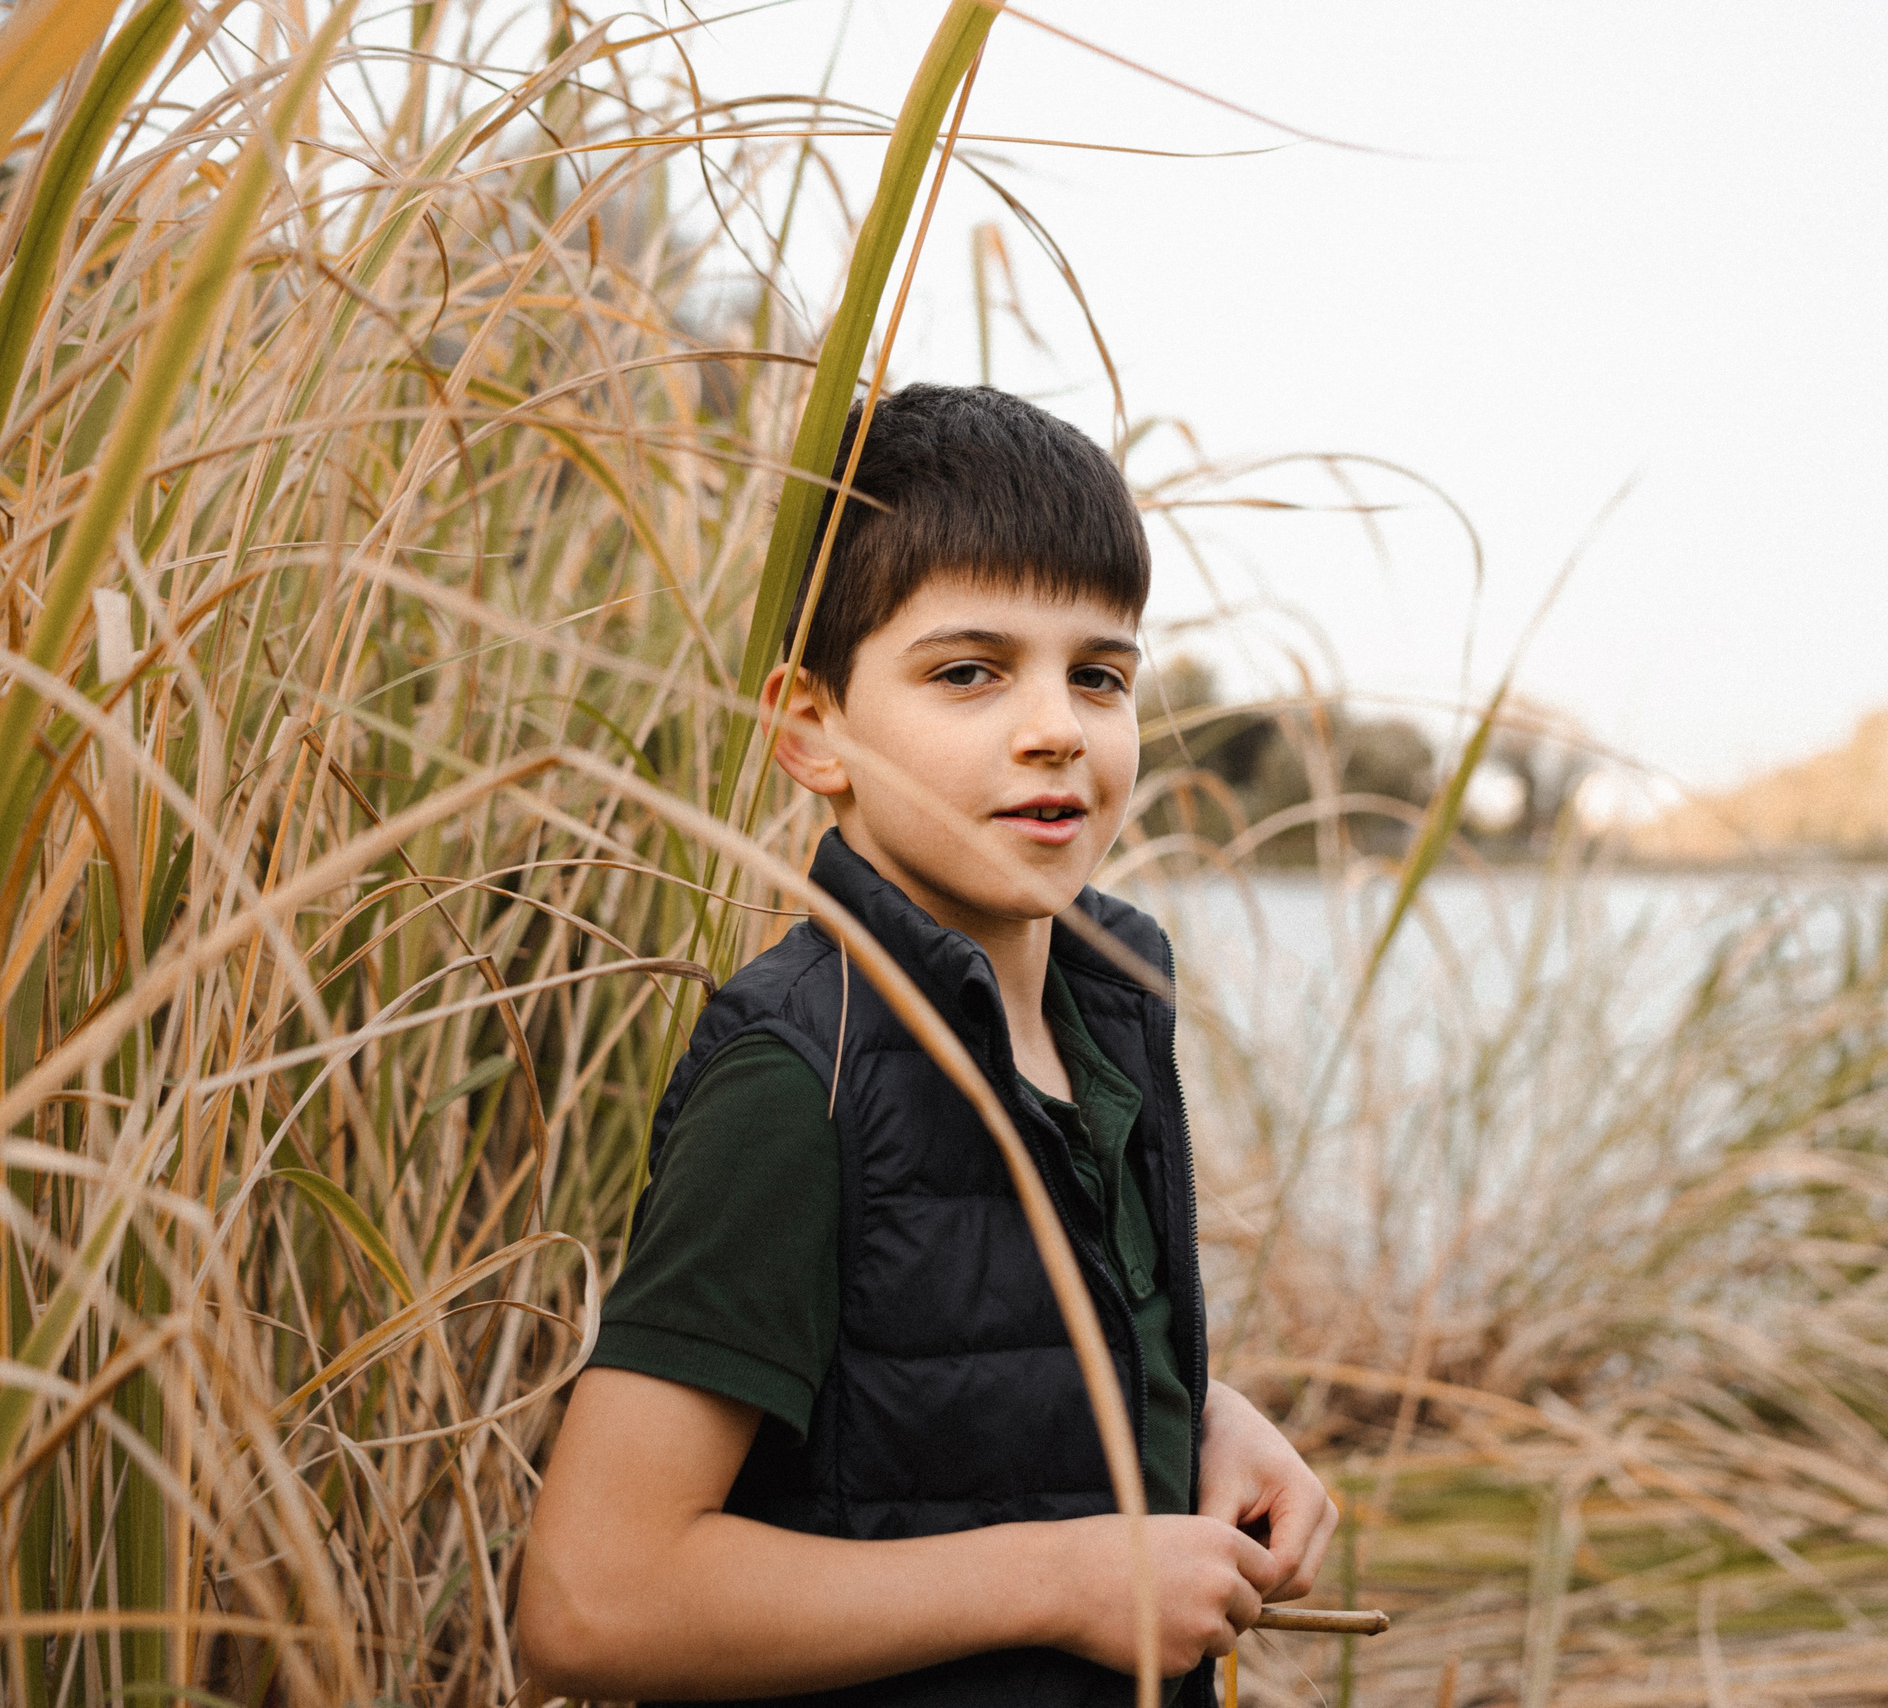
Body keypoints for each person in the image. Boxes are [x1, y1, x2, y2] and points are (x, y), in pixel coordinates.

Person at [516, 384, 1337, 1706]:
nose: (1057, 725)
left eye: (1100, 674)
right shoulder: (800, 1074)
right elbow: (593, 1599)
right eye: (969, 672)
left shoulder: (1105, 1024)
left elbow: (963, 1376)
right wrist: (1072, 1580)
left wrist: (1187, 1420)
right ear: (811, 729)